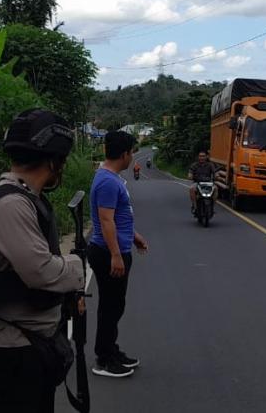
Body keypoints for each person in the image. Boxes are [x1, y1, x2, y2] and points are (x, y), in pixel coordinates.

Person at [0, 109, 85, 412]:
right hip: (15, 353)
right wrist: (76, 267)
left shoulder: (27, 198)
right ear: (53, 161)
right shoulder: (10, 204)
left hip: (32, 347)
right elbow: (41, 272)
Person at [89, 131, 149, 377]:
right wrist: (115, 254)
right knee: (110, 307)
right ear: (125, 154)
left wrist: (134, 236)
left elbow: (118, 218)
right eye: (132, 152)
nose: (132, 156)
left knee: (115, 305)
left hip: (115, 249)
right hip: (107, 253)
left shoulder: (110, 178)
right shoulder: (107, 182)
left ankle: (110, 350)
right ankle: (104, 358)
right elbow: (106, 221)